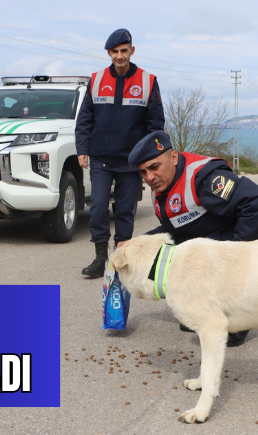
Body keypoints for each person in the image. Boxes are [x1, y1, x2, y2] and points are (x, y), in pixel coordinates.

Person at [127, 131, 258, 346]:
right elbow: (174, 228)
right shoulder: (160, 187)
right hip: (207, 243)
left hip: (237, 245)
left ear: (174, 158)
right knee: (170, 254)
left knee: (224, 331)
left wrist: (234, 254)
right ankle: (204, 307)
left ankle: (239, 317)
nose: (149, 177)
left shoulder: (204, 177)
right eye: (143, 172)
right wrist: (135, 245)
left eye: (154, 167)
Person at [76, 28, 165, 278]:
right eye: (114, 52)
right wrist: (82, 148)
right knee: (99, 208)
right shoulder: (96, 79)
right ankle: (100, 258)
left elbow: (155, 124)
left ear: (132, 51)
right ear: (109, 53)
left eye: (123, 51)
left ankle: (120, 259)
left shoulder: (148, 81)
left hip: (132, 161)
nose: (119, 56)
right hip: (101, 158)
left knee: (125, 211)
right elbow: (84, 119)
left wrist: (152, 156)